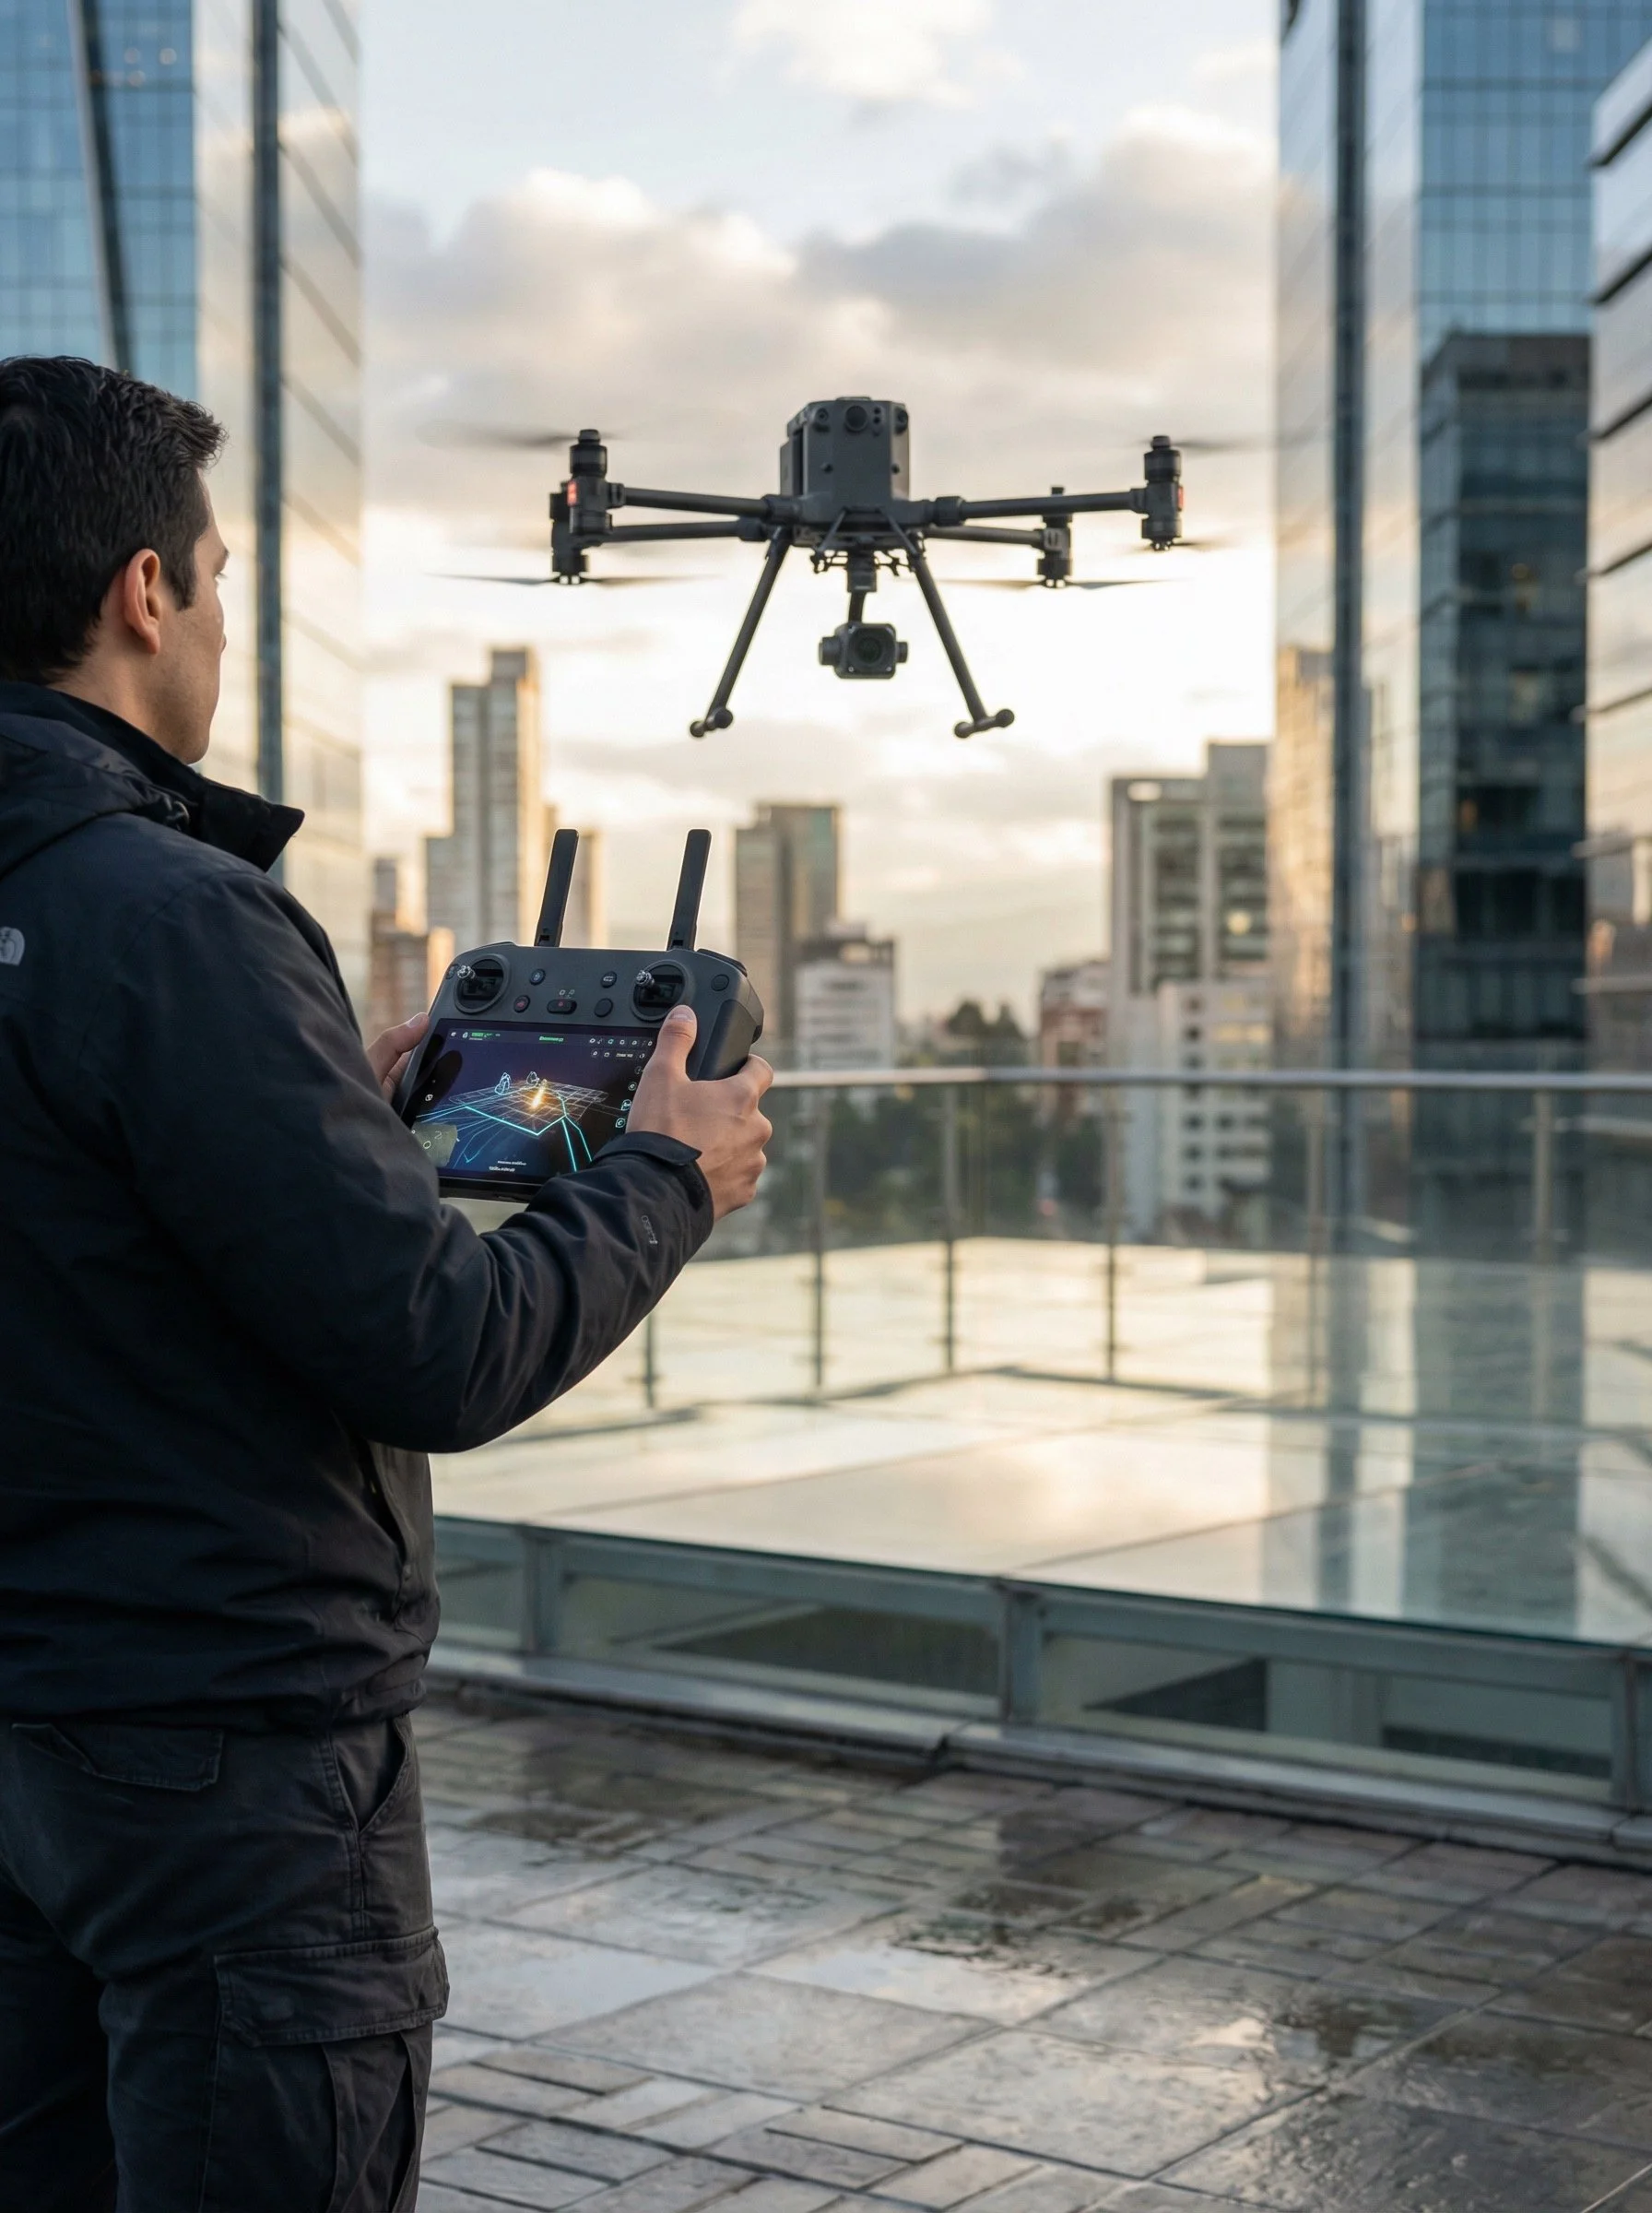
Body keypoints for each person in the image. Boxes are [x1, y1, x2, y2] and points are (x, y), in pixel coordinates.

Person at [0, 356, 772, 2212]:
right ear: (146, 593)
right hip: (224, 1768)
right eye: (220, 574)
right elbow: (440, 1345)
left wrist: (315, 1106)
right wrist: (670, 1174)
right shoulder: (170, 915)